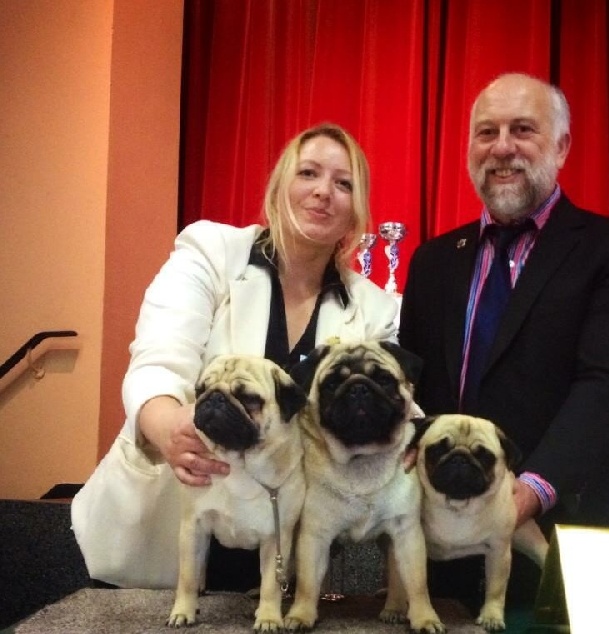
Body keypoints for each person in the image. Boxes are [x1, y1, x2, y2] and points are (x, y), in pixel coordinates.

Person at [71, 123, 400, 590]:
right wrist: (166, 425)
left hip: (283, 554)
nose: (323, 191)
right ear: (279, 187)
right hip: (169, 532)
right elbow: (159, 356)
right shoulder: (210, 251)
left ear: (356, 213)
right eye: (308, 173)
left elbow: (390, 413)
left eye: (343, 183)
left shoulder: (376, 309)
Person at [398, 73, 609, 615]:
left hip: (566, 537)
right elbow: (413, 389)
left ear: (561, 147)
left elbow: (606, 387)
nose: (502, 148)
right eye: (486, 132)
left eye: (522, 130)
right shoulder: (433, 260)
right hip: (445, 547)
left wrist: (528, 492)